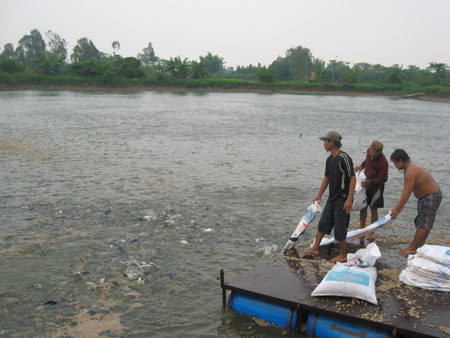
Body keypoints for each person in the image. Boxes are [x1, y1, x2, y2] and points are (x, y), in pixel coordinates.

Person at [301, 131, 356, 262]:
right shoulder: (329, 160)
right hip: (332, 198)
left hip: (342, 198)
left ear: (332, 142)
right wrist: (319, 194)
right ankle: (315, 248)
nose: (324, 144)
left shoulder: (344, 158)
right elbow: (327, 178)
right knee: (323, 224)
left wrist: (349, 199)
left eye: (325, 141)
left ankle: (343, 254)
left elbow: (352, 178)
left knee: (340, 227)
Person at [390, 149, 442, 256]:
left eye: (395, 162)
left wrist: (397, 207)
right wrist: (400, 206)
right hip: (426, 198)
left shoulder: (411, 170)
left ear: (400, 160)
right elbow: (407, 190)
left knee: (423, 223)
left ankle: (412, 248)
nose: (395, 165)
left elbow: (407, 190)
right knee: (424, 222)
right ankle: (419, 245)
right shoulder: (410, 168)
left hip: (431, 197)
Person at [354, 141, 388, 240]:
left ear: (379, 153)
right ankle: (362, 228)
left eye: (374, 156)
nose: (372, 157)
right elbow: (366, 161)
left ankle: (372, 231)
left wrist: (370, 182)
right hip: (366, 184)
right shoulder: (369, 151)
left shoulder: (383, 162)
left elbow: (383, 178)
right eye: (371, 154)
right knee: (363, 206)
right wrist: (362, 166)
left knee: (373, 209)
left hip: (376, 187)